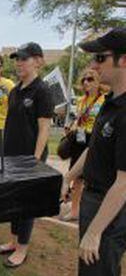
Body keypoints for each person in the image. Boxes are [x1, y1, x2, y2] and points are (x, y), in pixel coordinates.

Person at [62, 27, 126, 276]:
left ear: (123, 61)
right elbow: (94, 148)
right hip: (93, 200)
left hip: (109, 210)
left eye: (100, 58)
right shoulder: (110, 101)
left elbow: (124, 184)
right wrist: (68, 177)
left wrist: (95, 231)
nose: (92, 65)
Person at [0, 42, 53, 268]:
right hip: (11, 155)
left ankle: (22, 249)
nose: (19, 63)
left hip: (30, 158)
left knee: (27, 203)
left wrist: (35, 160)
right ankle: (13, 240)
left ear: (37, 61)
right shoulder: (15, 90)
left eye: (24, 58)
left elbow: (45, 128)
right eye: (17, 59)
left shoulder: (42, 90)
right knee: (14, 200)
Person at [60, 69, 106, 222]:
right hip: (80, 140)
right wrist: (70, 128)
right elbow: (78, 120)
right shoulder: (81, 100)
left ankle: (100, 213)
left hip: (96, 140)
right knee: (77, 179)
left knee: (95, 179)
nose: (86, 82)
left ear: (99, 82)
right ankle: (74, 211)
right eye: (84, 80)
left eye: (90, 79)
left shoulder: (105, 100)